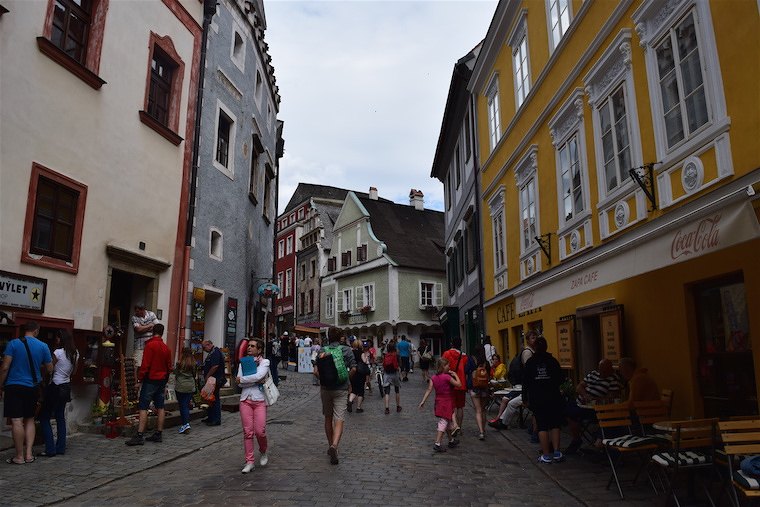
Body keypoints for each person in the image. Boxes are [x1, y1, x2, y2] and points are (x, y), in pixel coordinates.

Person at [0, 321, 53, 464]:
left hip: (14, 385)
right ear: (36, 331)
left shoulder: (13, 344)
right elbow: (49, 368)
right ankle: (29, 454)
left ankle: (19, 456)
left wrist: (0, 385)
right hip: (32, 387)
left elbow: (5, 367)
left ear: (25, 331)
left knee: (17, 420)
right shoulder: (43, 346)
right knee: (29, 419)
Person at [314, 327, 356, 465]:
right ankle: (335, 446)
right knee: (339, 418)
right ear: (341, 338)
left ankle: (330, 443)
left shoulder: (322, 350)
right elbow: (354, 368)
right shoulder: (347, 350)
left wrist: (324, 380)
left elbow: (315, 371)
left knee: (328, 417)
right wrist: (345, 379)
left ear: (328, 336)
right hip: (341, 389)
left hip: (326, 389)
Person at [564, 358, 624, 454]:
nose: (601, 373)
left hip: (596, 409)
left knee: (574, 413)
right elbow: (579, 386)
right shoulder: (593, 374)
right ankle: (576, 439)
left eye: (604, 371)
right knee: (567, 410)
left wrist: (596, 400)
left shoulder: (613, 379)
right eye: (600, 370)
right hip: (581, 403)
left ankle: (583, 441)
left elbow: (612, 396)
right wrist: (585, 395)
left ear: (610, 369)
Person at [126, 323, 173, 445]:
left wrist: (139, 380)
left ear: (153, 331)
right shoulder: (166, 348)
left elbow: (145, 365)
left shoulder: (150, 345)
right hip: (162, 379)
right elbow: (169, 367)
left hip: (150, 379)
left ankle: (140, 434)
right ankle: (159, 433)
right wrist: (165, 380)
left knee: (143, 406)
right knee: (160, 406)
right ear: (162, 332)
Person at [523, 336, 565, 464]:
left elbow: (526, 383)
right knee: (555, 424)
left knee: (542, 425)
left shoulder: (530, 363)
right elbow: (560, 379)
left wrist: (525, 397)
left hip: (538, 398)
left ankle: (546, 455)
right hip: (553, 396)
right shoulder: (552, 361)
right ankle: (557, 452)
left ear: (534, 348)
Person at [39, 330, 78, 457]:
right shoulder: (75, 353)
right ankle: (61, 447)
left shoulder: (58, 353)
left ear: (60, 339)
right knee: (60, 417)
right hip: (66, 386)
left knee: (44, 417)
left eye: (57, 338)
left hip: (55, 386)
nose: (56, 340)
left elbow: (50, 369)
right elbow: (74, 372)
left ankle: (50, 448)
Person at [489, 330, 537, 430]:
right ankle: (502, 421)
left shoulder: (531, 352)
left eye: (536, 337)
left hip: (531, 389)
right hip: (529, 388)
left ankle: (502, 422)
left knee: (510, 401)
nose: (535, 339)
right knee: (509, 401)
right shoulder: (528, 352)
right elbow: (529, 370)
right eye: (533, 338)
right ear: (527, 340)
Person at [237, 338, 270, 473]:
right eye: (248, 346)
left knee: (260, 431)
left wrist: (245, 380)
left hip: (259, 400)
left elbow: (259, 376)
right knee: (248, 432)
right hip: (245, 400)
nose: (249, 348)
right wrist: (253, 380)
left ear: (259, 349)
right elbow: (239, 383)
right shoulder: (243, 363)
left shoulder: (265, 362)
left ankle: (263, 451)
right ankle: (249, 461)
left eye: (252, 346)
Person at [419, 358, 461, 452]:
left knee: (447, 421)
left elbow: (429, 390)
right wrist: (456, 375)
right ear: (443, 367)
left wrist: (423, 401)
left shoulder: (433, 378)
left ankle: (451, 440)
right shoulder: (447, 377)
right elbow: (459, 384)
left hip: (439, 402)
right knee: (444, 422)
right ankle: (437, 443)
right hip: (447, 402)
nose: (449, 367)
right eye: (448, 365)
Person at [442, 336, 467, 436]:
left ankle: (453, 426)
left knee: (451, 407)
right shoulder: (464, 356)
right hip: (461, 383)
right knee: (460, 407)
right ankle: (459, 427)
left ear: (452, 343)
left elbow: (442, 366)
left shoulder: (446, 353)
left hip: (449, 383)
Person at [467, 345, 490, 440]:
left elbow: (467, 372)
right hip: (484, 389)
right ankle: (483, 429)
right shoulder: (486, 363)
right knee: (483, 409)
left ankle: (481, 432)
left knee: (478, 410)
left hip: (474, 388)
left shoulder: (471, 360)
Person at [201, 339, 226, 426]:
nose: (204, 350)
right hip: (213, 380)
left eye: (204, 348)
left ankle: (216, 419)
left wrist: (207, 376)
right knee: (210, 398)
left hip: (215, 380)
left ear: (209, 345)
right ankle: (210, 417)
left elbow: (215, 366)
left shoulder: (215, 352)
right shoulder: (212, 352)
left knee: (214, 399)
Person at [174, 348, 196, 434]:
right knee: (186, 405)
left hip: (181, 386)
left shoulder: (179, 363)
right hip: (190, 386)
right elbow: (194, 374)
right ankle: (186, 423)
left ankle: (185, 424)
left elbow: (176, 373)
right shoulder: (193, 363)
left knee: (183, 406)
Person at [131, 303, 158, 367]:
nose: (136, 313)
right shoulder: (134, 317)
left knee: (149, 365)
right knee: (138, 365)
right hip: (139, 346)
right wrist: (150, 325)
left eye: (138, 311)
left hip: (150, 345)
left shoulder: (151, 314)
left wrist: (143, 327)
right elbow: (138, 330)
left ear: (143, 310)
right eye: (135, 311)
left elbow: (156, 326)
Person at [347, 339, 368, 413]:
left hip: (353, 372)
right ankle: (358, 408)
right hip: (360, 373)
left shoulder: (351, 352)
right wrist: (366, 357)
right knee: (361, 391)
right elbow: (365, 361)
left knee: (354, 390)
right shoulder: (361, 352)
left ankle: (350, 401)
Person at [382, 341, 402, 414]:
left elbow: (384, 365)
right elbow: (399, 364)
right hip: (395, 373)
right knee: (397, 390)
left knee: (387, 392)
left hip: (387, 374)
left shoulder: (386, 355)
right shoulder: (397, 355)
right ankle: (398, 407)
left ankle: (387, 408)